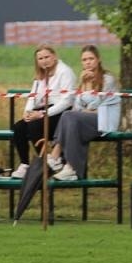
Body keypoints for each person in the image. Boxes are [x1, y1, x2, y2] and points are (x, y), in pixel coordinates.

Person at [45, 45, 121, 181]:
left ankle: (57, 158)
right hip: (87, 120)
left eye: (91, 58)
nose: (88, 62)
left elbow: (97, 104)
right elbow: (77, 107)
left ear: (98, 60)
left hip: (105, 119)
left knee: (70, 117)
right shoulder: (83, 80)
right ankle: (69, 167)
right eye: (84, 60)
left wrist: (86, 106)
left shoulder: (107, 79)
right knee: (69, 117)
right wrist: (84, 84)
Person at [10, 44, 77, 179]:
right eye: (40, 58)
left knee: (34, 125)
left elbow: (67, 101)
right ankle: (25, 164)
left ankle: (48, 161)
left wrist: (42, 114)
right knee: (19, 127)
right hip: (43, 110)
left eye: (47, 57)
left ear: (54, 56)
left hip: (62, 112)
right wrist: (27, 112)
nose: (44, 61)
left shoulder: (65, 72)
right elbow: (33, 95)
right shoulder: (40, 75)